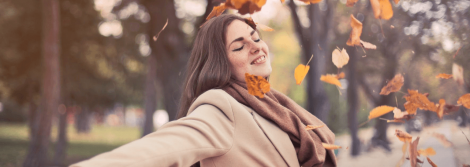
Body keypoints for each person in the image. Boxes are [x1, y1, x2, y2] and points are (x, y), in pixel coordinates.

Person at [70, 14, 336, 167]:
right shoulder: (221, 107)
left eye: (256, 38)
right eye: (239, 46)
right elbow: (159, 151)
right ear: (220, 64)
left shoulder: (273, 106)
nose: (256, 47)